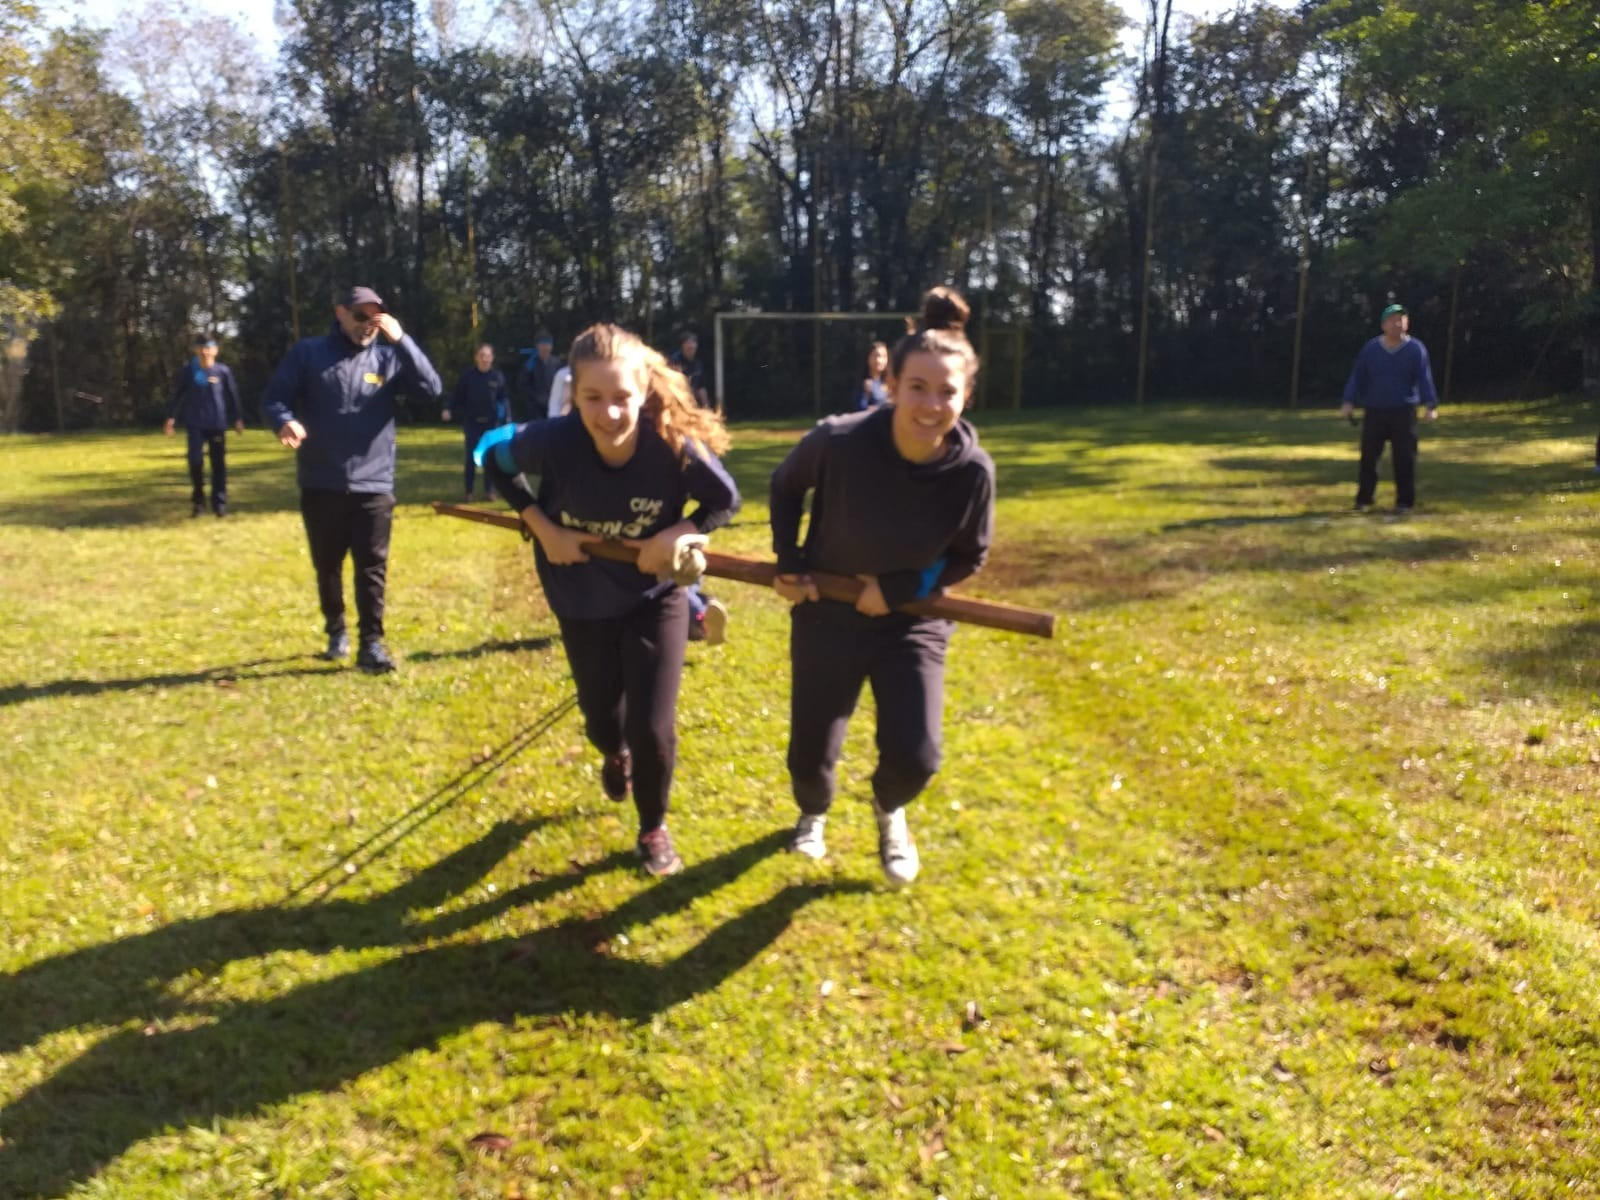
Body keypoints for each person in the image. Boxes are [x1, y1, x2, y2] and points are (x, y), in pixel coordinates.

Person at [479, 323, 739, 876]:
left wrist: (676, 534)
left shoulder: (670, 446)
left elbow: (725, 499)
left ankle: (652, 828)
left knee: (652, 727)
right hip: (580, 596)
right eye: (593, 398)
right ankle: (613, 753)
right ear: (574, 395)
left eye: (622, 397)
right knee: (603, 721)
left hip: (653, 596)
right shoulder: (553, 441)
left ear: (643, 392)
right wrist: (544, 527)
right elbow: (495, 461)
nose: (610, 413)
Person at [770, 287, 995, 886]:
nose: (931, 404)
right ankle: (813, 812)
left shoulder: (973, 473)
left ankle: (888, 807)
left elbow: (969, 554)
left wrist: (898, 590)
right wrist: (790, 562)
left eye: (947, 391)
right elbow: (786, 485)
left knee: (917, 756)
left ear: (966, 396)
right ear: (890, 384)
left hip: (912, 621)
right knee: (810, 755)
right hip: (828, 612)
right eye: (917, 387)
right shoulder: (839, 441)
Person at [260, 285, 443, 673]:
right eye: (361, 316)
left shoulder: (389, 358)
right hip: (322, 481)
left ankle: (371, 643)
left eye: (376, 317)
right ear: (340, 313)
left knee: (372, 567)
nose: (368, 325)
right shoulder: (309, 354)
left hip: (374, 483)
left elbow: (431, 389)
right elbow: (274, 398)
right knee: (328, 565)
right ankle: (336, 630)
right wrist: (284, 421)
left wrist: (402, 340)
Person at [1340, 302, 1439, 513]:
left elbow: (1424, 378)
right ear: (1384, 325)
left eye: (1402, 320)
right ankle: (1364, 499)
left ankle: (1404, 502)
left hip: (1403, 410)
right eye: (1393, 320)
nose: (1398, 324)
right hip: (1375, 409)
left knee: (1404, 457)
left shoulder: (1415, 349)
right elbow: (1358, 376)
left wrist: (1430, 405)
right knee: (1369, 457)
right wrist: (1348, 401)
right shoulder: (1371, 349)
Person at [665, 328, 727, 641]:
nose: (691, 346)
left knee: (670, 565)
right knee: (682, 552)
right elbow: (726, 498)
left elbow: (725, 498)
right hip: (672, 515)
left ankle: (699, 615)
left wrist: (704, 408)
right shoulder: (673, 363)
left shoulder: (677, 439)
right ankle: (699, 604)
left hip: (663, 522)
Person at [163, 334, 244, 517]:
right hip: (195, 424)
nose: (205, 352)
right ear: (196, 350)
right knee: (195, 461)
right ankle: (198, 503)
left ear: (215, 350)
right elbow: (178, 395)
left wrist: (238, 418)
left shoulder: (222, 371)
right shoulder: (189, 371)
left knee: (218, 465)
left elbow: (232, 395)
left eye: (208, 348)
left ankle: (219, 505)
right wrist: (171, 418)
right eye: (201, 348)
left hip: (217, 424)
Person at [442, 342, 510, 501]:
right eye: (482, 356)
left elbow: (504, 399)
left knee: (491, 457)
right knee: (471, 457)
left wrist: (507, 419)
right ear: (476, 358)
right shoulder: (468, 376)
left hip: (492, 423)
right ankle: (469, 492)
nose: (485, 359)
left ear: (492, 358)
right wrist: (447, 408)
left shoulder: (497, 377)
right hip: (472, 423)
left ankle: (489, 491)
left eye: (488, 356)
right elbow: (456, 395)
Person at [518, 332, 563, 421]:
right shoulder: (530, 364)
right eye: (542, 345)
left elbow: (561, 383)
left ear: (551, 346)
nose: (545, 347)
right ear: (537, 346)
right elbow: (523, 384)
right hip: (535, 408)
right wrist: (534, 398)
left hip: (553, 405)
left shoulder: (556, 363)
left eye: (548, 344)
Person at [668, 329, 710, 409]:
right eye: (688, 343)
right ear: (682, 345)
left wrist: (706, 405)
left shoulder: (697, 364)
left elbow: (701, 387)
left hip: (692, 402)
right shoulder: (675, 361)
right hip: (676, 401)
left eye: (693, 343)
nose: (691, 346)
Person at [856, 340, 890, 411]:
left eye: (884, 356)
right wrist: (866, 394)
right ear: (868, 358)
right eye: (876, 356)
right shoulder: (866, 383)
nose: (880, 360)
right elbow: (860, 410)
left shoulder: (891, 381)